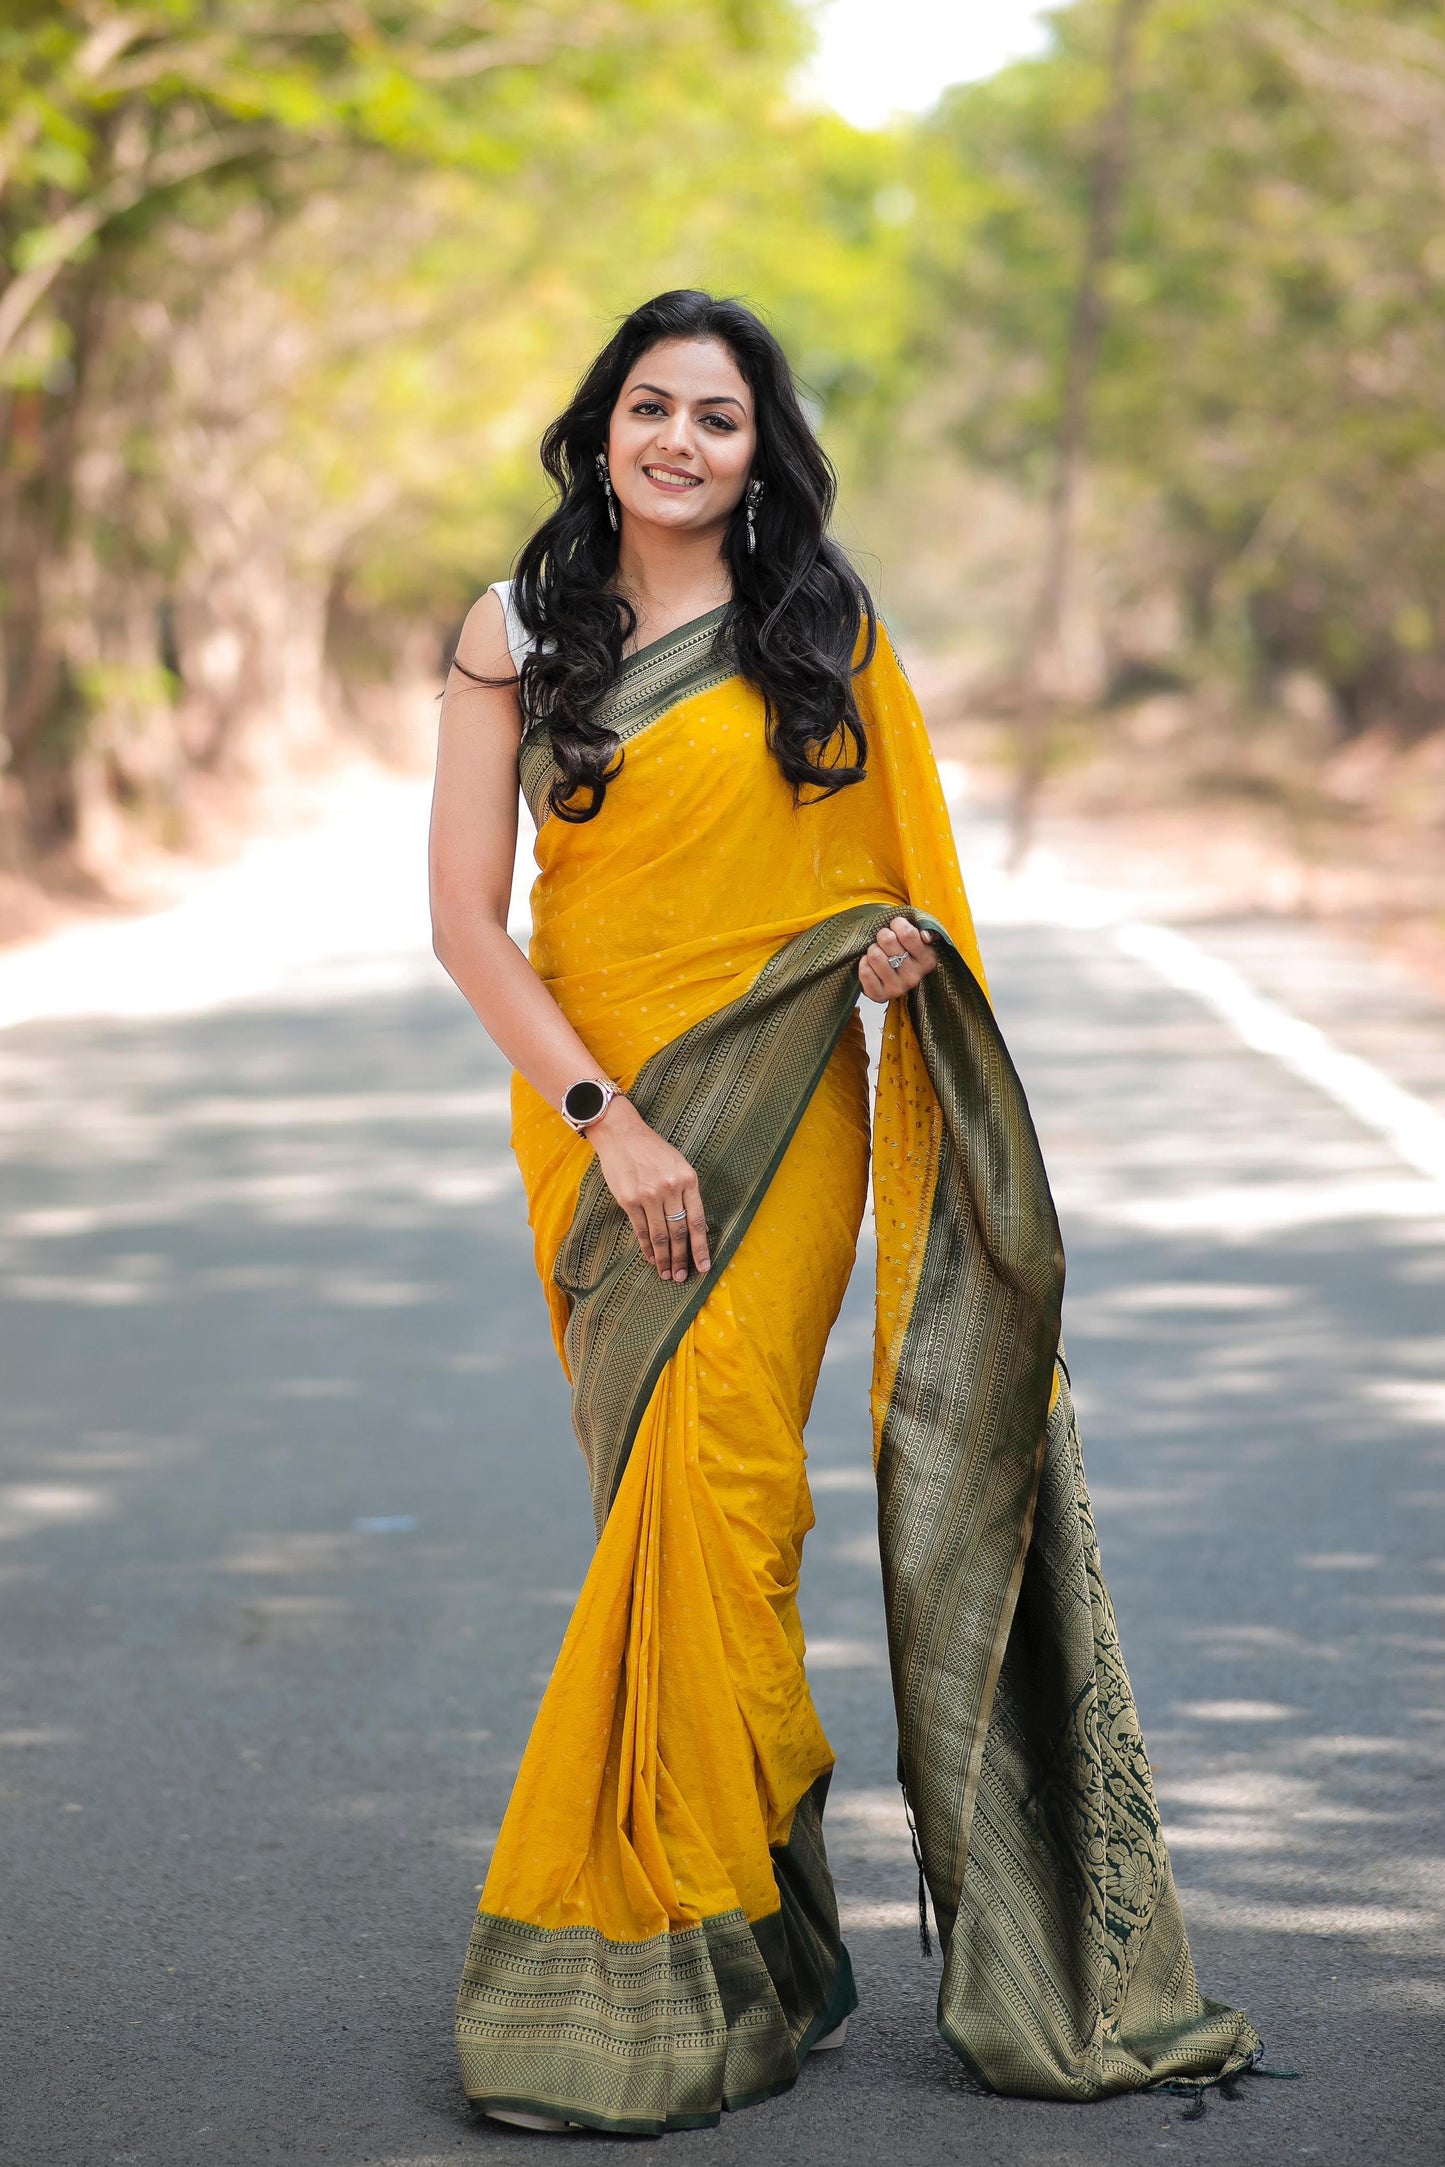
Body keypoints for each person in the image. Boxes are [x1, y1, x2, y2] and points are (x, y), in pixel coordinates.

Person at [429, 289, 1260, 2137]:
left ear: (757, 450)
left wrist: (892, 953)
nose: (677, 442)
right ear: (599, 426)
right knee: (665, 1510)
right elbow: (468, 925)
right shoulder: (515, 633)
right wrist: (610, 1119)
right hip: (595, 1128)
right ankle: (758, 1921)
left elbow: (905, 890)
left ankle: (670, 1935)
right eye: (649, 407)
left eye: (715, 418)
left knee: (728, 1488)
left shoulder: (824, 630)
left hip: (785, 1109)